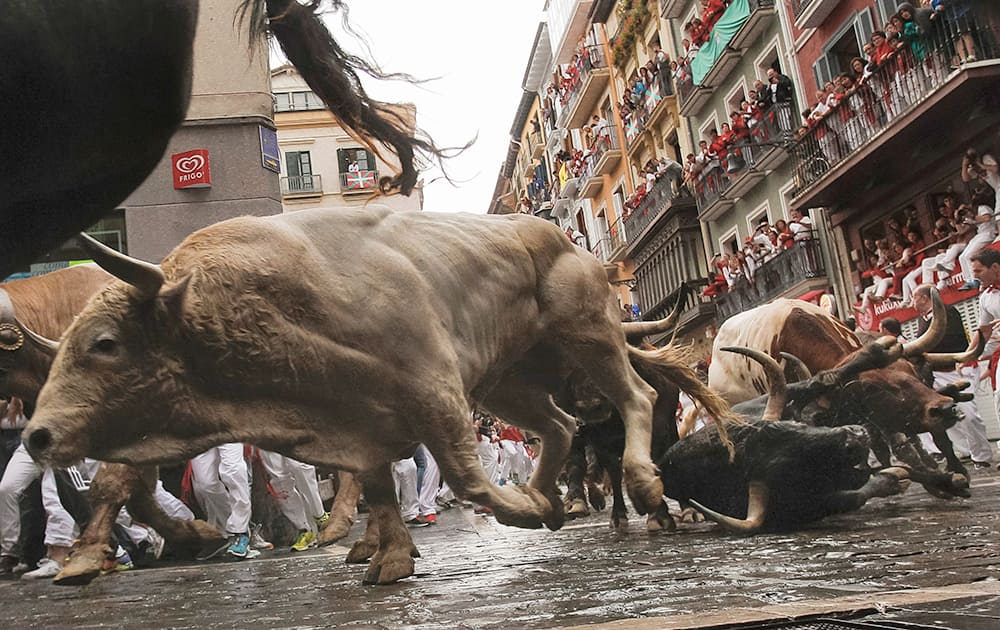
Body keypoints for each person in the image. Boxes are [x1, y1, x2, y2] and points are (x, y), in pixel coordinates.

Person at [912, 284, 994, 469]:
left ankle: (982, 455)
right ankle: (965, 450)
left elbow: (946, 340)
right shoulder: (922, 319)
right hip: (935, 372)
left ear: (924, 298)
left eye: (913, 297)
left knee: (968, 413)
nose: (911, 302)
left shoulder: (947, 312)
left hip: (956, 369)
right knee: (941, 414)